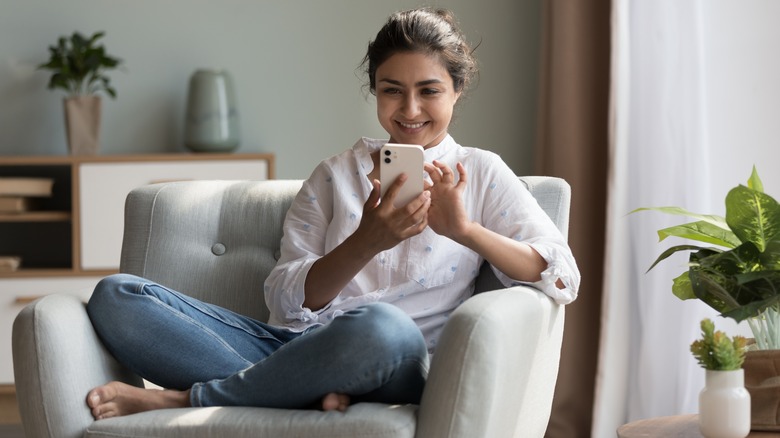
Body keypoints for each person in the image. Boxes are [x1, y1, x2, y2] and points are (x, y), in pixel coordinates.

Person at [85, 7, 580, 420]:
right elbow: (284, 302)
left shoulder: (482, 172)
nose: (410, 109)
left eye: (429, 90)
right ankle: (303, 390)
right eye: (392, 90)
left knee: (379, 326)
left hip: (394, 356)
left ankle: (185, 399)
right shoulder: (333, 176)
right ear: (375, 90)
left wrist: (465, 231)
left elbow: (560, 276)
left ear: (456, 90)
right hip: (293, 348)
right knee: (117, 295)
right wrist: (367, 240)